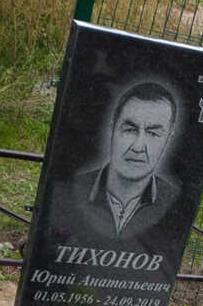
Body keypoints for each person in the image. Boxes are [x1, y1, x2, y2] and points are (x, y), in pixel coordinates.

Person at [73, 82, 178, 241]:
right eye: (130, 130)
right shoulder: (70, 190)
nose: (138, 147)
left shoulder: (174, 201)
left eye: (153, 134)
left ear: (168, 140)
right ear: (112, 130)